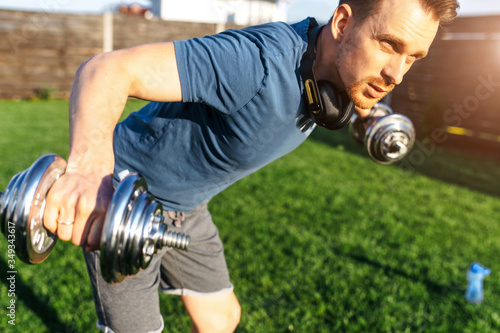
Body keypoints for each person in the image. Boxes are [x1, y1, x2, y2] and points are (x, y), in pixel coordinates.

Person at [42, 0, 460, 332]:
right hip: (125, 196)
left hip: (188, 205)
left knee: (220, 319)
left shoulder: (341, 71)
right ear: (342, 23)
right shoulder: (255, 63)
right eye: (389, 45)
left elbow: (344, 93)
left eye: (413, 57)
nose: (397, 74)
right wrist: (87, 170)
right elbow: (108, 69)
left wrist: (367, 113)